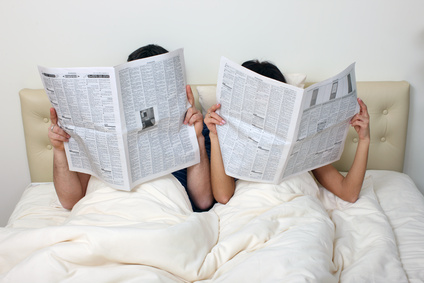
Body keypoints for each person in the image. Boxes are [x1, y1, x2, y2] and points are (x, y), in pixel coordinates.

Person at [49, 44, 213, 211]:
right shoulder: (98, 128)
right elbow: (71, 202)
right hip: (104, 205)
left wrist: (196, 137)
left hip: (161, 205)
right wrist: (60, 150)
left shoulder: (196, 126)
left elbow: (203, 201)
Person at [205, 59, 370, 204]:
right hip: (252, 207)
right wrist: (214, 136)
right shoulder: (230, 136)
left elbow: (348, 193)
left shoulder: (301, 136)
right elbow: (223, 197)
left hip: (299, 209)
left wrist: (364, 140)